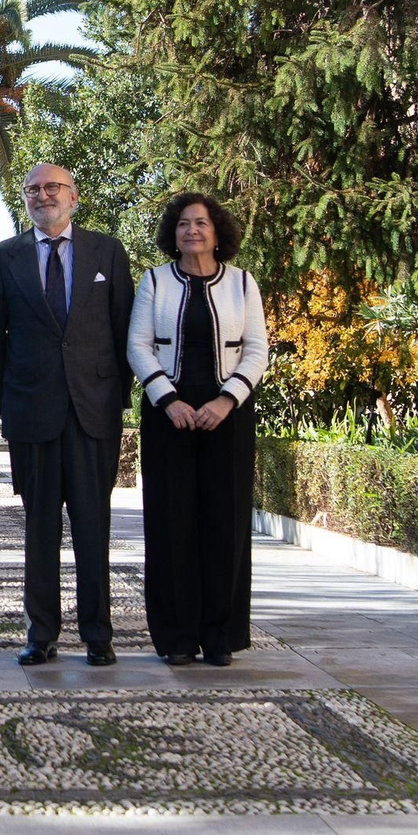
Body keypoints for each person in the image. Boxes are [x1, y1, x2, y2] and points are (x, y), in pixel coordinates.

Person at [0, 163, 134, 667]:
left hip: (93, 414)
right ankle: (40, 633)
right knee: (40, 529)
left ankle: (98, 634)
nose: (43, 196)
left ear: (74, 195)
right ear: (24, 200)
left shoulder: (108, 252)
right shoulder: (2, 258)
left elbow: (126, 331)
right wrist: (4, 407)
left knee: (93, 526)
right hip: (31, 415)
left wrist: (115, 400)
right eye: (33, 190)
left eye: (53, 187)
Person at [127, 192, 268, 666]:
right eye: (184, 224)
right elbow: (138, 346)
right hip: (170, 415)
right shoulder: (154, 281)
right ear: (174, 233)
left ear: (217, 231)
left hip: (227, 413)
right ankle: (177, 638)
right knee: (172, 522)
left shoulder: (243, 284)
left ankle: (220, 636)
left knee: (224, 523)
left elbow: (256, 351)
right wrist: (168, 399)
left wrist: (227, 399)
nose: (192, 231)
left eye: (202, 223)